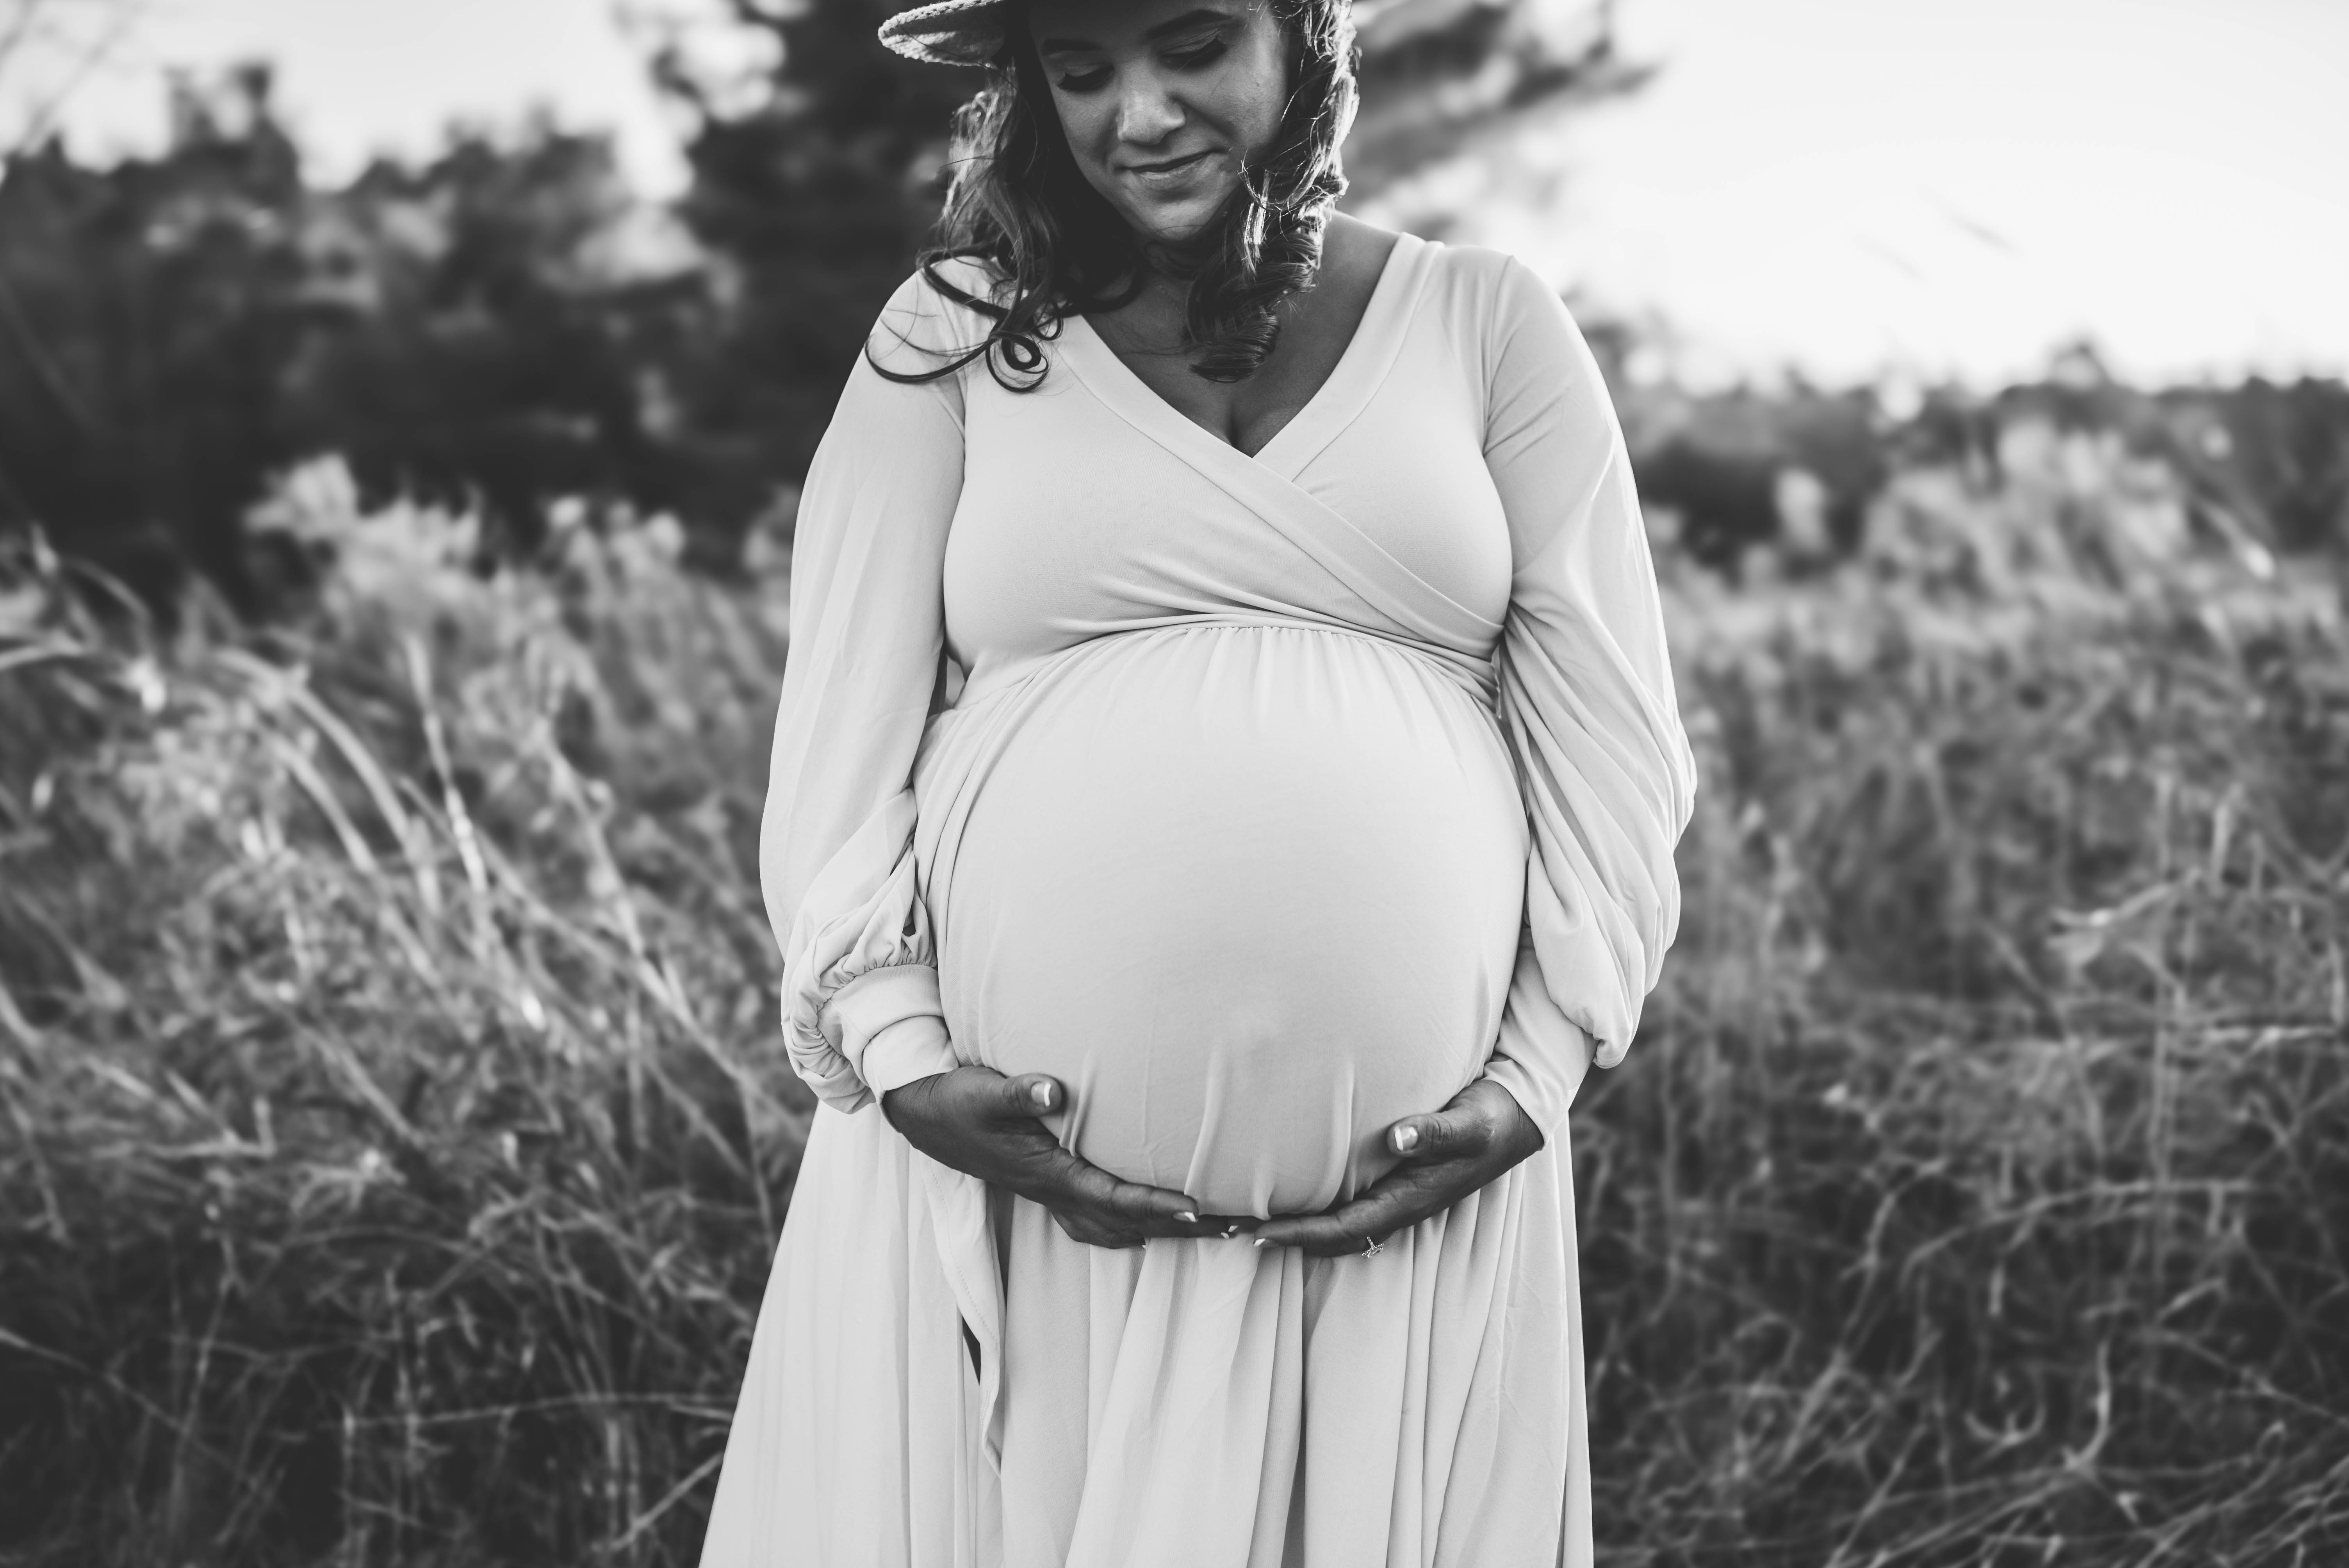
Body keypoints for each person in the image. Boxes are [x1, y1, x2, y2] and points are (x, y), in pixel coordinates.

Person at [698, 0, 1695, 1560]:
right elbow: (837, 737)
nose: (1136, 116)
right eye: (1079, 72)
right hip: (1023, 1197)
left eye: (1188, 48)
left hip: (1404, 1221)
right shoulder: (951, 329)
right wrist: (896, 1053)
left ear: (1303, 42)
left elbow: (1610, 742)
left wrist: (1539, 1066)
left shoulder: (1487, 327)